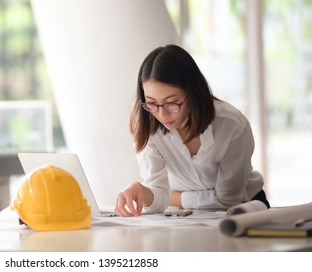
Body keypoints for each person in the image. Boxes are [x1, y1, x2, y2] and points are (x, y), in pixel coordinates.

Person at [115, 44, 270, 217]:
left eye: (172, 103)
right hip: (186, 215)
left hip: (245, 207)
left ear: (193, 93)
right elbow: (158, 196)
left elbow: (228, 199)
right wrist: (142, 191)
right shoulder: (145, 122)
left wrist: (173, 198)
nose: (161, 113)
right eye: (151, 103)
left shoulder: (231, 125)